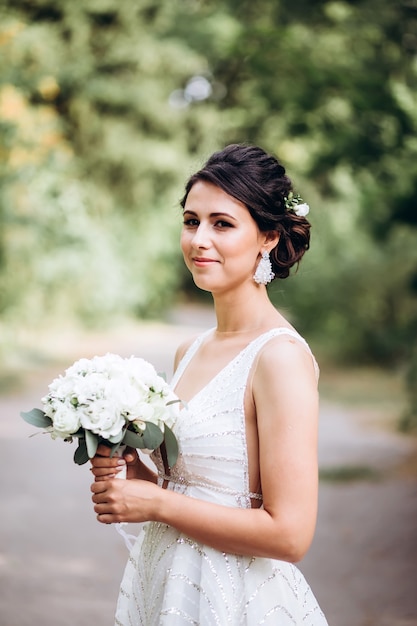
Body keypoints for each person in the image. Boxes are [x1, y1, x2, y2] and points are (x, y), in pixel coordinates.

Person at [90, 143, 328, 625]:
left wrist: (158, 502)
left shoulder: (278, 358)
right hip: (169, 585)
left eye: (222, 223)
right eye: (190, 220)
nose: (200, 239)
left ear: (267, 236)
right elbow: (196, 490)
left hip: (237, 599)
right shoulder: (189, 350)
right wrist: (137, 478)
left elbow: (290, 535)